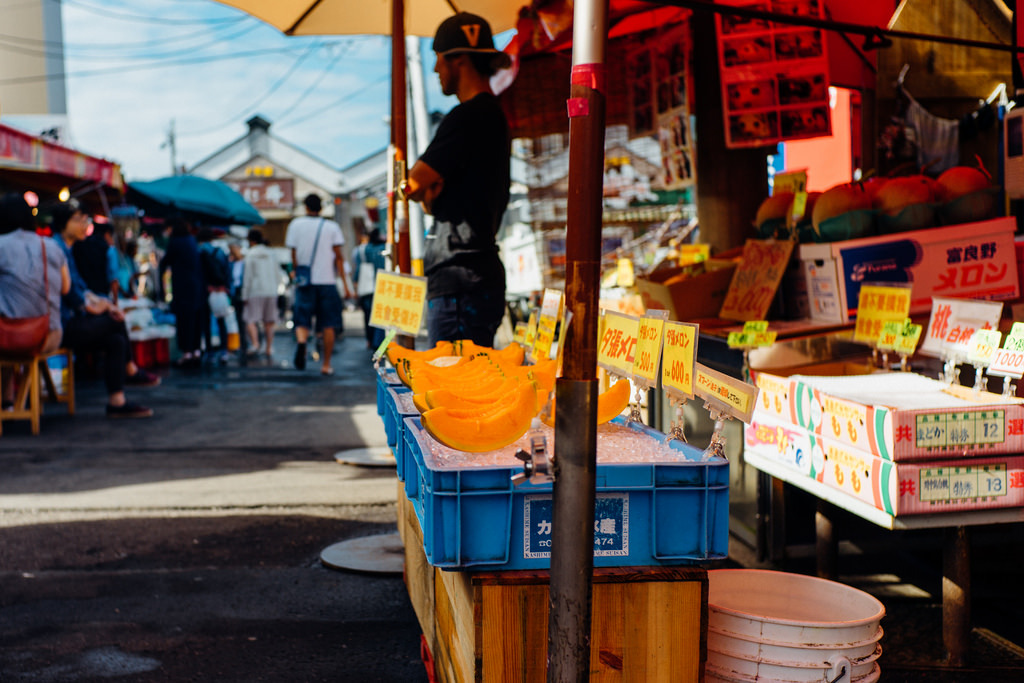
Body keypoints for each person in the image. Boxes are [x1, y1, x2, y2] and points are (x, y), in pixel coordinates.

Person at [404, 12, 512, 348]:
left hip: (459, 278)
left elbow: (414, 184)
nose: (436, 70)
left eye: (438, 59)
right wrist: (431, 192)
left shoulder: (468, 116)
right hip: (474, 275)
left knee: (456, 387)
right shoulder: (491, 114)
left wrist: (428, 192)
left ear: (459, 60)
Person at [52, 199, 159, 418]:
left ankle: (116, 402)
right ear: (64, 223)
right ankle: (130, 369)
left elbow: (80, 288)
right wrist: (97, 307)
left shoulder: (68, 249)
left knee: (116, 340)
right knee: (114, 320)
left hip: (70, 321)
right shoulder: (56, 248)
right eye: (79, 220)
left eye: (85, 220)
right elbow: (70, 293)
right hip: (59, 324)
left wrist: (103, 304)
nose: (84, 225)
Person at [0, 193, 70, 409]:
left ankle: (8, 402)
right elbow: (66, 288)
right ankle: (10, 401)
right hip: (48, 335)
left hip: (7, 338)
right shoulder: (51, 246)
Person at [284, 193, 353, 375]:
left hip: (305, 281)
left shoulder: (295, 225)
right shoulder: (331, 227)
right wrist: (346, 286)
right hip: (327, 281)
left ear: (305, 207)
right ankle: (326, 364)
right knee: (328, 324)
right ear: (321, 208)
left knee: (301, 319)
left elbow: (293, 255)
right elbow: (339, 258)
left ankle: (301, 343)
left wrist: (296, 274)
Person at [159, 217, 204, 368]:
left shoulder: (176, 242)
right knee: (195, 320)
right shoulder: (192, 240)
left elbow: (165, 263)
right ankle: (196, 351)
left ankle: (187, 353)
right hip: (196, 287)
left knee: (185, 321)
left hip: (183, 288)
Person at [240, 228, 278, 358]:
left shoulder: (250, 254)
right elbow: (277, 274)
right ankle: (269, 347)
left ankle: (255, 344)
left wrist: (244, 294)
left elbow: (247, 277)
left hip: (255, 291)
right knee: (269, 321)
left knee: (250, 319)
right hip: (271, 290)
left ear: (251, 241)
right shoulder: (271, 254)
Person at [197, 228, 231, 363]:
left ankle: (209, 351)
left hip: (206, 291)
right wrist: (227, 288)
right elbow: (227, 271)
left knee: (205, 321)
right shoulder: (220, 252)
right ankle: (224, 351)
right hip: (220, 290)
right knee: (221, 320)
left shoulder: (199, 251)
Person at [352, 227, 386, 350]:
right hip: (383, 285)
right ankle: (378, 341)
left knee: (368, 315)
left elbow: (358, 269)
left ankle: (370, 340)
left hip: (367, 287)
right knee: (381, 315)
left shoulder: (362, 250)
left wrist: (355, 286)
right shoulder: (384, 248)